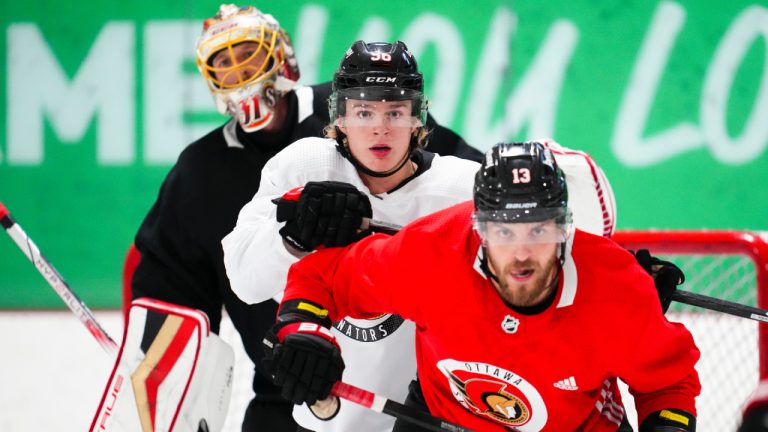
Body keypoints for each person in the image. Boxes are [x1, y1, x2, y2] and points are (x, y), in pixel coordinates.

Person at [222, 42, 618, 431]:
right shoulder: (304, 165)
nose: (380, 126)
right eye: (363, 111)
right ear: (339, 118)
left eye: (395, 111)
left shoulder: (461, 190)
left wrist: (621, 277)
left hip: (426, 416)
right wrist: (292, 238)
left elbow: (550, 258)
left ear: (418, 119)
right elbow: (243, 281)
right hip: (325, 414)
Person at [128, 4, 482, 431]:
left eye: (250, 54)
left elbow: (458, 196)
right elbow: (182, 288)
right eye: (225, 62)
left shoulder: (373, 108)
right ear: (340, 119)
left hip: (421, 386)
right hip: (292, 381)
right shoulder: (208, 173)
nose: (378, 127)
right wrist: (158, 380)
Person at [261, 141, 701, 431]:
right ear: (479, 229)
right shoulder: (430, 254)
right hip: (441, 420)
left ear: (565, 229)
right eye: (505, 231)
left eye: (538, 230)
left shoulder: (616, 290)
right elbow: (323, 276)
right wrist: (304, 332)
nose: (522, 253)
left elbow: (667, 383)